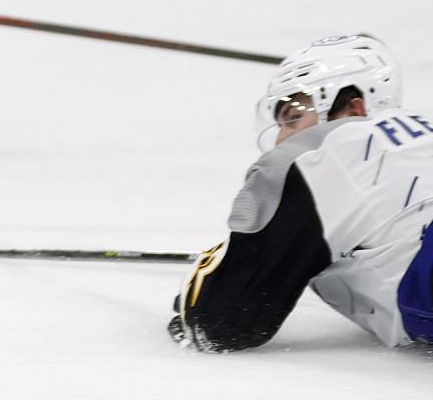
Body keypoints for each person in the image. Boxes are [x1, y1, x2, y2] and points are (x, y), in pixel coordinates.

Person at [170, 34, 433, 352]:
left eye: (293, 116)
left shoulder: (323, 151)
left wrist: (225, 262)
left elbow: (218, 324)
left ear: (354, 108)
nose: (282, 139)